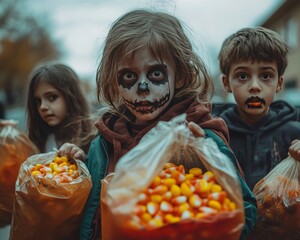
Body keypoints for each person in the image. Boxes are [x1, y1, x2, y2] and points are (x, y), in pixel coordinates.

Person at [80, 9, 257, 240]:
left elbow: (244, 214)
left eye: (155, 74)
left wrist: (201, 159)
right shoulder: (102, 145)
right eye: (129, 77)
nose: (142, 89)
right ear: (114, 83)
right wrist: (75, 168)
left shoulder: (199, 140)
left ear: (181, 76)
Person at [216, 26, 300, 190]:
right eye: (242, 76)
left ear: (279, 83)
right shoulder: (217, 134)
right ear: (226, 83)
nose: (254, 86)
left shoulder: (294, 133)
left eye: (266, 76)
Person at [26, 62, 96, 160]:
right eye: (38, 101)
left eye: (51, 97)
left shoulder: (94, 138)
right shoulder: (39, 142)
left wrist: (83, 159)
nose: (42, 107)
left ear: (71, 98)